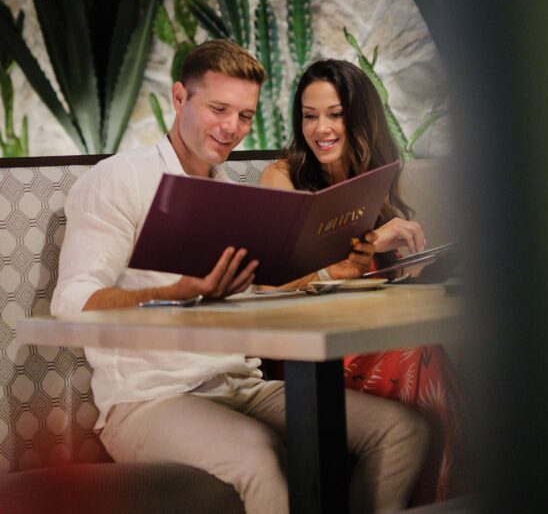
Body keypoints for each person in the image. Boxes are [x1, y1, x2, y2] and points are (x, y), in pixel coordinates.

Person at [51, 39, 429, 514]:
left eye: (245, 116)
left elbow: (261, 289)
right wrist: (176, 293)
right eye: (218, 109)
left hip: (238, 385)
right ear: (179, 98)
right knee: (260, 456)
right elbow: (70, 303)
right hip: (148, 401)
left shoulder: (230, 191)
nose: (232, 128)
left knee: (402, 431)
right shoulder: (118, 179)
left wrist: (334, 268)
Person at [260, 58, 470, 504]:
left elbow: (371, 279)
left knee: (430, 352)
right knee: (420, 356)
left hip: (370, 336)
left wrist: (405, 268)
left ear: (360, 118)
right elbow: (278, 279)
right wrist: (373, 240)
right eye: (310, 115)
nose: (321, 129)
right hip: (312, 352)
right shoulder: (283, 177)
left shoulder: (373, 177)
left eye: (335, 114)